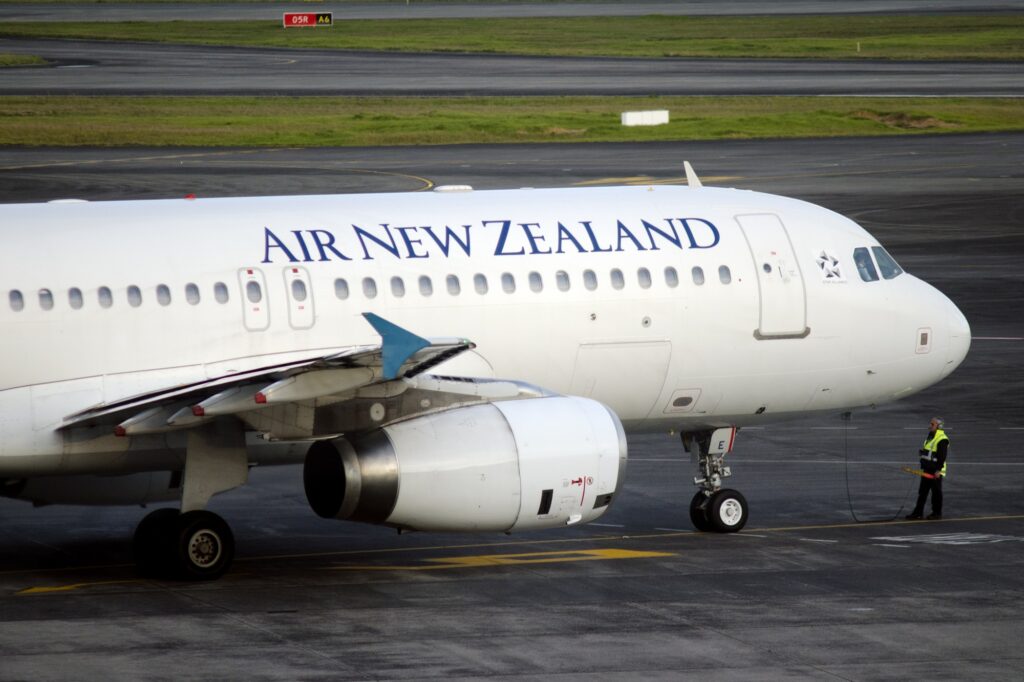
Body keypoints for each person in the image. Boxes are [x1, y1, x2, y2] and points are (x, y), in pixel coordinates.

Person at [906, 417, 949, 520]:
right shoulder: (931, 436)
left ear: (939, 426)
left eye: (932, 424)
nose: (930, 426)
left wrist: (938, 470)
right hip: (927, 468)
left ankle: (937, 513)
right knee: (923, 491)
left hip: (935, 471)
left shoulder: (942, 439)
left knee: (936, 493)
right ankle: (918, 513)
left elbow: (942, 456)